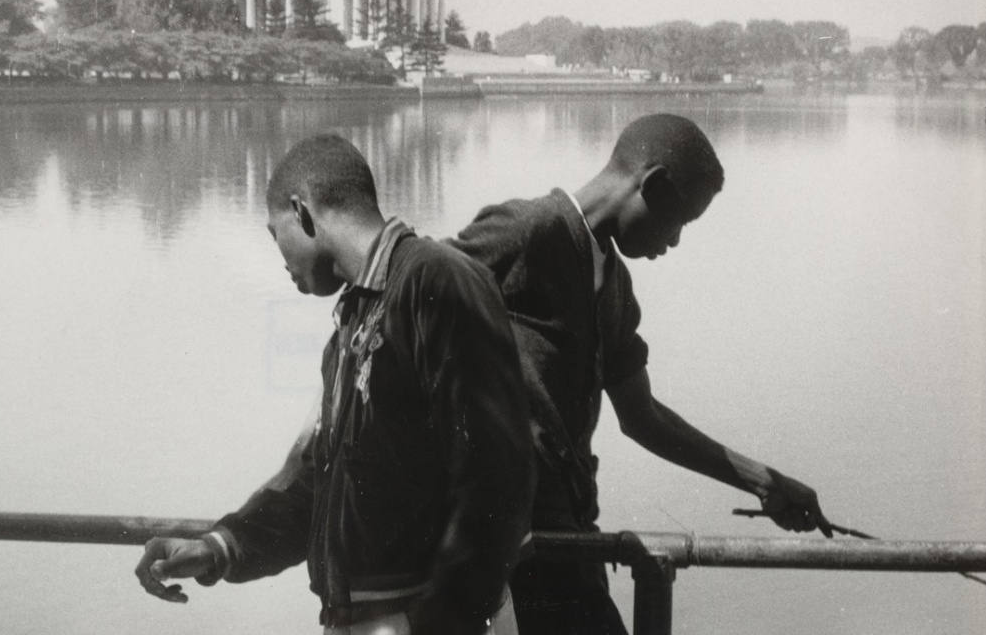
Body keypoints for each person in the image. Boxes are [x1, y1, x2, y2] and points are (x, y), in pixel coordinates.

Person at [134, 133, 535, 635]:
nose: (279, 259)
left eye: (273, 233)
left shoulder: (436, 280)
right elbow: (321, 488)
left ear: (302, 212)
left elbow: (500, 482)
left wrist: (445, 618)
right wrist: (219, 547)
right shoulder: (354, 322)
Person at [447, 113, 832, 634]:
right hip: (507, 545)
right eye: (680, 222)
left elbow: (641, 416)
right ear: (650, 185)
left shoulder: (615, 289)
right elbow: (411, 294)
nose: (673, 243)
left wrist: (762, 481)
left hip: (569, 540)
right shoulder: (529, 229)